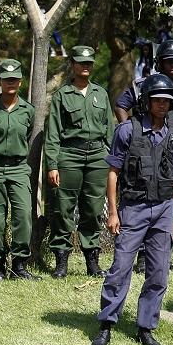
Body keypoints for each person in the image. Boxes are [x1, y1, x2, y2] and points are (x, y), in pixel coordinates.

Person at [90, 73, 173, 345]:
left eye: (166, 100)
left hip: (164, 209)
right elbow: (113, 173)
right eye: (156, 99)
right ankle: (106, 324)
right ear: (146, 101)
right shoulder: (127, 131)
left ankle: (145, 327)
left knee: (158, 272)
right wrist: (113, 212)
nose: (162, 104)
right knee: (120, 268)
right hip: (133, 207)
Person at [114, 38, 173, 274]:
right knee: (143, 194)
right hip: (143, 148)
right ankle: (142, 256)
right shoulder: (143, 85)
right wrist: (131, 132)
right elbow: (121, 105)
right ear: (160, 62)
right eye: (169, 61)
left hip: (171, 148)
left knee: (167, 192)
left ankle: (160, 255)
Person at [45, 45, 115, 278]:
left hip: (97, 157)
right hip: (69, 155)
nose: (85, 66)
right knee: (63, 209)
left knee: (93, 209)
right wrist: (52, 164)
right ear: (73, 65)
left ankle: (92, 262)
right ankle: (61, 262)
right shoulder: (62, 95)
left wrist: (113, 160)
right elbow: (53, 133)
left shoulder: (101, 93)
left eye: (89, 63)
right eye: (81, 63)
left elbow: (109, 130)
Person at [0, 59, 39, 280]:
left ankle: (19, 266)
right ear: (0, 81)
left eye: (14, 79)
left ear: (20, 82)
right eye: (6, 79)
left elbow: (27, 136)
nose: (10, 83)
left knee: (23, 215)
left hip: (18, 168)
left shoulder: (28, 110)